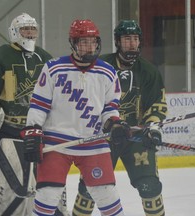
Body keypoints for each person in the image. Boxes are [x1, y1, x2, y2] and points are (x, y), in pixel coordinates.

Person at [21, 19, 130, 216]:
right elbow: (38, 105)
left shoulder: (108, 72)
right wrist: (33, 129)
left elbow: (110, 108)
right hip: (57, 141)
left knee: (107, 195)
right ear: (73, 43)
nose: (90, 47)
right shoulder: (53, 68)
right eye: (83, 42)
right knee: (47, 196)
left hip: (93, 141)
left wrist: (114, 123)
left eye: (93, 42)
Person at [0, 12, 68, 216]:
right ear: (14, 32)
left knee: (48, 177)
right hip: (9, 131)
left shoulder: (44, 57)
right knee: (8, 181)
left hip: (40, 130)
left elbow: (58, 93)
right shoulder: (0, 57)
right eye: (25, 29)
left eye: (33, 29)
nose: (30, 33)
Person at [72, 20, 168, 216]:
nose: (132, 44)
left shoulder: (149, 71)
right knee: (89, 189)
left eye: (135, 39)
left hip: (136, 138)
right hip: (104, 138)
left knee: (149, 186)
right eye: (126, 39)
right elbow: (85, 101)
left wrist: (153, 126)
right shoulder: (101, 66)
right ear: (117, 41)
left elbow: (157, 104)